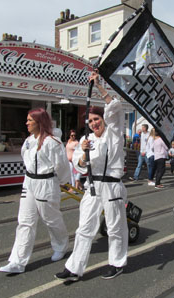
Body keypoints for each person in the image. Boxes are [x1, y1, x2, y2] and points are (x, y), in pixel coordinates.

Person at [55, 71, 128, 282]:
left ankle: (117, 263)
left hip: (112, 187)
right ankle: (74, 267)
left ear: (103, 119)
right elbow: (80, 166)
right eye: (90, 121)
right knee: (84, 227)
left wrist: (98, 86)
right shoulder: (86, 139)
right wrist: (83, 154)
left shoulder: (114, 133)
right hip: (93, 187)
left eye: (97, 119)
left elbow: (115, 107)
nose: (94, 123)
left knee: (115, 227)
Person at [0, 108, 71, 274]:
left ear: (39, 122)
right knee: (25, 221)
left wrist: (60, 182)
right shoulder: (29, 141)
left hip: (46, 183)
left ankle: (61, 244)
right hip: (29, 182)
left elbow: (62, 167)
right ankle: (17, 261)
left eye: (30, 120)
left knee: (50, 219)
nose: (26, 123)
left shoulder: (53, 143)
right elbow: (25, 158)